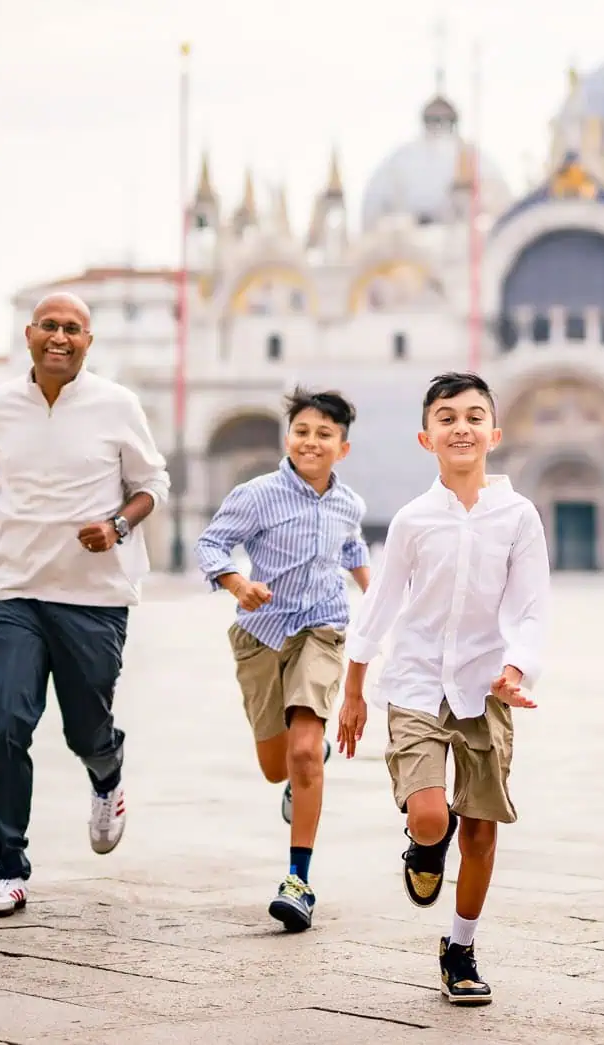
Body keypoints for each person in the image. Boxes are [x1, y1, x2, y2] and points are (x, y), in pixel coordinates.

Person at [0, 292, 170, 919]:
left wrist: (117, 526)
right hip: (17, 592)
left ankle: (106, 772)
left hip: (95, 598)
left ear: (89, 342)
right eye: (49, 327)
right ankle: (8, 869)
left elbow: (152, 485)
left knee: (83, 728)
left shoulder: (118, 405)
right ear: (30, 334)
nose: (60, 337)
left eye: (73, 329)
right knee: (6, 725)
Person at [339, 372, 549, 1007]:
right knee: (433, 816)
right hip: (416, 682)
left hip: (487, 688)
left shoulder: (518, 516)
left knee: (482, 831)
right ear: (426, 437)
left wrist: (518, 668)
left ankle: (460, 948)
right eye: (448, 418)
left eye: (474, 416)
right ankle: (425, 846)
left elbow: (532, 605)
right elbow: (378, 607)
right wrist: (354, 687)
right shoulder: (411, 520)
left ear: (495, 432)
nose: (463, 427)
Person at [195, 387, 371, 933]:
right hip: (261, 636)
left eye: (324, 434)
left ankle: (298, 881)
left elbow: (352, 549)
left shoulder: (350, 503)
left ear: (343, 447)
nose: (311, 442)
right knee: (278, 767)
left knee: (304, 752)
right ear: (287, 437)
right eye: (302, 431)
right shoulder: (257, 495)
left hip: (321, 631)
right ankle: (299, 772)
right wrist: (237, 583)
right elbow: (212, 545)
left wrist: (379, 596)